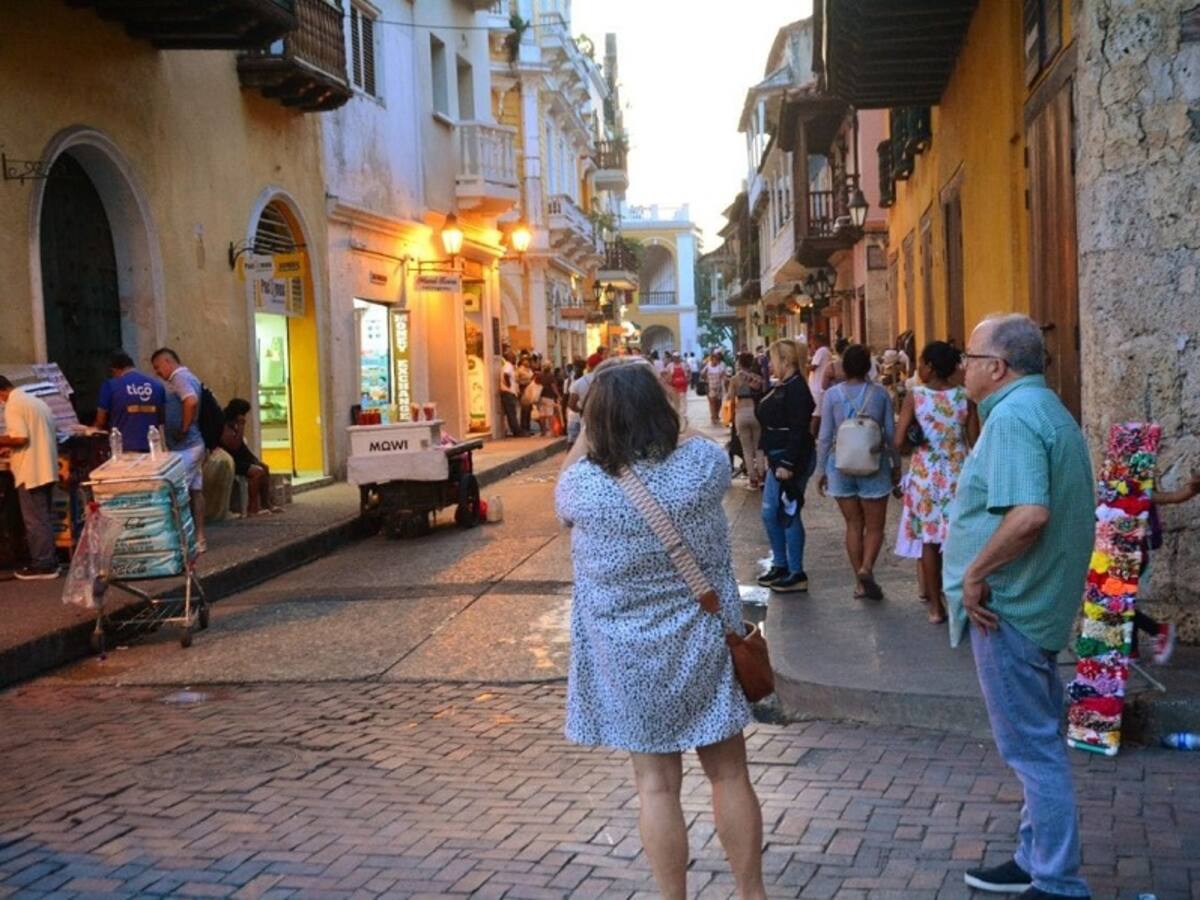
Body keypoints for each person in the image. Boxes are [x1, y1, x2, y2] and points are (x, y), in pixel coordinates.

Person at [555, 357, 766, 900]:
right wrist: (664, 410)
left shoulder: (584, 488)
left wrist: (590, 428)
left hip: (629, 660)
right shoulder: (700, 466)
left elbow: (565, 484)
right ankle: (752, 893)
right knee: (729, 775)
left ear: (597, 421)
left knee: (655, 787)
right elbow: (695, 439)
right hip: (704, 643)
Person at [943, 314, 1094, 900]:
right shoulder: (1045, 408)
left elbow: (1029, 514)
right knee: (1038, 739)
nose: (963, 367)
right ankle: (1035, 857)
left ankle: (1057, 880)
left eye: (970, 357)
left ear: (997, 366)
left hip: (1011, 608)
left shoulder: (1011, 418)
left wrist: (976, 573)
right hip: (1034, 603)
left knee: (1033, 750)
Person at [894, 341, 977, 624]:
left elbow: (899, 441)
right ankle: (961, 602)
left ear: (929, 366)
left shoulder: (915, 396)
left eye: (921, 362)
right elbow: (975, 441)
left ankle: (935, 607)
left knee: (929, 542)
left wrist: (915, 439)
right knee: (960, 537)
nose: (919, 367)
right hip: (957, 474)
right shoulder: (965, 397)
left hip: (926, 476)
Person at [816, 344, 899, 600]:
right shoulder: (880, 394)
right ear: (868, 367)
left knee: (853, 524)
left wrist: (821, 470)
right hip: (874, 465)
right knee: (874, 527)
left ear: (844, 367)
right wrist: (896, 466)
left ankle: (860, 584)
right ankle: (867, 568)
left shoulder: (832, 395)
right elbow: (890, 434)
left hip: (840, 465)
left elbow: (825, 436)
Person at [755, 340, 816, 593]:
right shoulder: (785, 386)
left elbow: (798, 429)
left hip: (791, 460)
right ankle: (782, 564)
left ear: (785, 361)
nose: (769, 365)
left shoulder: (797, 389)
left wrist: (788, 463)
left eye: (772, 360)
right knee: (773, 511)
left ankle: (795, 571)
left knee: (786, 511)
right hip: (779, 458)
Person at [1131, 470, 1200, 663]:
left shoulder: (1138, 488)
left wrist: (1191, 489)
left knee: (1118, 601)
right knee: (1123, 600)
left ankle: (1158, 630)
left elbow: (1172, 497)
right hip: (1117, 550)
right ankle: (1132, 649)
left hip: (1134, 552)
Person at [0, 377, 60, 580]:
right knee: (42, 517)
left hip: (31, 471)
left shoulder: (13, 405)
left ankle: (43, 564)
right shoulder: (34, 401)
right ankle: (49, 560)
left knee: (34, 520)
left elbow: (20, 437)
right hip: (46, 467)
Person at [150, 348, 208, 554]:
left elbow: (191, 401)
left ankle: (182, 540)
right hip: (193, 444)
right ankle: (199, 537)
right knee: (195, 491)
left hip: (186, 446)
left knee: (176, 492)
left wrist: (183, 428)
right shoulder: (189, 376)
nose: (157, 372)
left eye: (158, 367)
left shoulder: (179, 377)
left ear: (168, 362)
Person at [220, 398, 281, 516]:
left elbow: (244, 450)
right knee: (257, 472)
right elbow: (235, 446)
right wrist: (241, 427)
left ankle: (266, 503)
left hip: (241, 458)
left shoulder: (233, 425)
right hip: (231, 461)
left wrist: (255, 460)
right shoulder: (226, 426)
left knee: (264, 467)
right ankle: (252, 508)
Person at [94, 350, 165, 453]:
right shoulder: (157, 385)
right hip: (153, 447)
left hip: (124, 449)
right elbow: (162, 419)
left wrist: (91, 430)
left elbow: (100, 421)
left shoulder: (110, 386)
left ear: (114, 370)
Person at [729, 353, 765, 489]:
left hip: (741, 412)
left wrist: (732, 417)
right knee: (759, 447)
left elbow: (731, 399)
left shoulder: (734, 379)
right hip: (755, 412)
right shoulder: (757, 378)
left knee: (746, 448)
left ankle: (752, 479)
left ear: (739, 363)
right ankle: (762, 475)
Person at [807, 332, 832, 437]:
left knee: (816, 414)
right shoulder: (826, 351)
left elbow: (813, 367)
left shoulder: (821, 351)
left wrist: (802, 364)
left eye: (812, 342)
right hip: (819, 387)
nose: (811, 345)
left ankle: (812, 435)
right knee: (819, 413)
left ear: (817, 341)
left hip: (817, 387)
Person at [498, 350, 524, 437]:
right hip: (508, 392)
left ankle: (515, 430)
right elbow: (506, 375)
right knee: (511, 413)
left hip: (509, 392)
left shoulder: (509, 366)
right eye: (514, 357)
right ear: (510, 358)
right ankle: (517, 431)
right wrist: (508, 385)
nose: (515, 359)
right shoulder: (508, 366)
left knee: (512, 413)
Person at [701, 351, 729, 425]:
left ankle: (716, 414)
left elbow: (724, 375)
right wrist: (705, 375)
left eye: (717, 359)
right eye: (714, 359)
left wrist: (726, 381)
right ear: (711, 359)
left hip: (719, 387)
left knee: (719, 402)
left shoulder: (720, 367)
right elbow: (702, 375)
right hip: (711, 387)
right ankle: (713, 416)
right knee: (712, 402)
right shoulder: (708, 366)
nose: (715, 361)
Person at [516, 354, 536, 434]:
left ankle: (528, 427)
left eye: (528, 360)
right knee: (525, 410)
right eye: (526, 360)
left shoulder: (529, 370)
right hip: (524, 390)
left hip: (530, 390)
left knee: (529, 410)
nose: (527, 362)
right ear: (522, 361)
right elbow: (517, 380)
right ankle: (524, 428)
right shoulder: (519, 370)